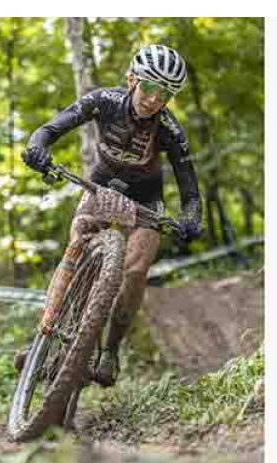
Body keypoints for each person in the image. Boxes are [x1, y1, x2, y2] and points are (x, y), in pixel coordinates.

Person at [20, 44, 202, 386]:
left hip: (146, 201)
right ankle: (43, 340)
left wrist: (191, 218)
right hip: (100, 188)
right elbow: (50, 129)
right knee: (76, 246)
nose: (154, 99)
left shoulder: (170, 129)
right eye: (150, 86)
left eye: (165, 93)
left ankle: (110, 351)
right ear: (132, 80)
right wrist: (37, 147)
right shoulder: (104, 100)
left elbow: (190, 191)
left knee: (135, 271)